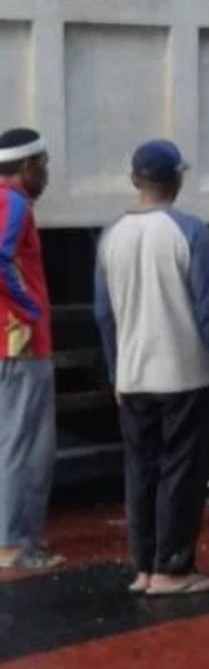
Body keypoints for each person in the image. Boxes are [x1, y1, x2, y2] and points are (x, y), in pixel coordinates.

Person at [93, 139, 209, 596]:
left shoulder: (110, 236)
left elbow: (103, 312)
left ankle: (143, 567)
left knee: (141, 470)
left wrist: (117, 370)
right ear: (174, 179)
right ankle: (173, 569)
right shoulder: (190, 231)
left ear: (137, 180)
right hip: (182, 374)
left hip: (133, 377)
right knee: (182, 470)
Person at [0, 128, 62, 570]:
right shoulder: (15, 203)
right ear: (26, 167)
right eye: (42, 163)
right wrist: (31, 310)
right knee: (26, 444)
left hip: (9, 340)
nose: (46, 172)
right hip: (21, 342)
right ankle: (14, 544)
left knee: (11, 441)